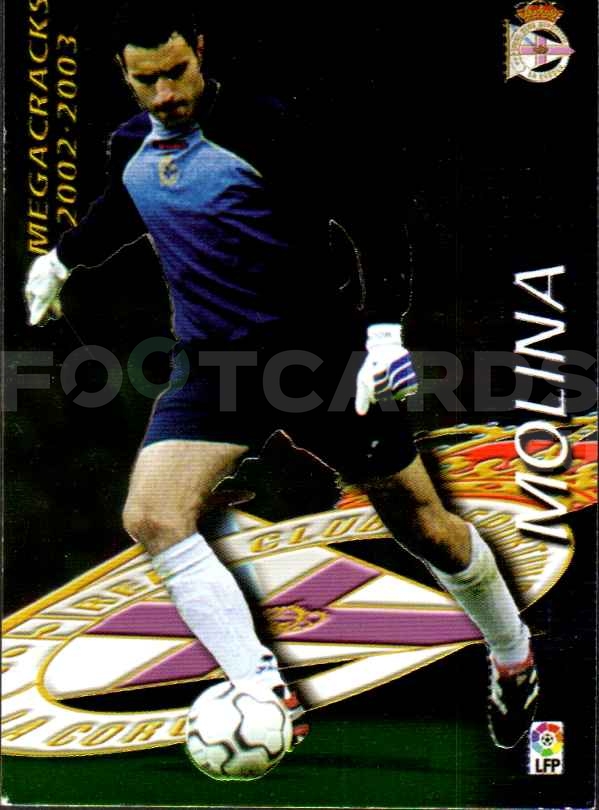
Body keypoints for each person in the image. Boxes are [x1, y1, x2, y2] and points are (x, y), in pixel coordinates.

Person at [25, 2, 538, 750]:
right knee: (153, 516)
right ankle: (264, 692)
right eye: (146, 81)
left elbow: (373, 216)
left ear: (201, 51)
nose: (165, 94)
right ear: (123, 76)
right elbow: (123, 207)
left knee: (424, 526)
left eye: (176, 72)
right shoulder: (131, 145)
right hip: (214, 368)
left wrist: (383, 331)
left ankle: (513, 654)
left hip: (316, 360)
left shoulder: (265, 128)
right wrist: (62, 258)